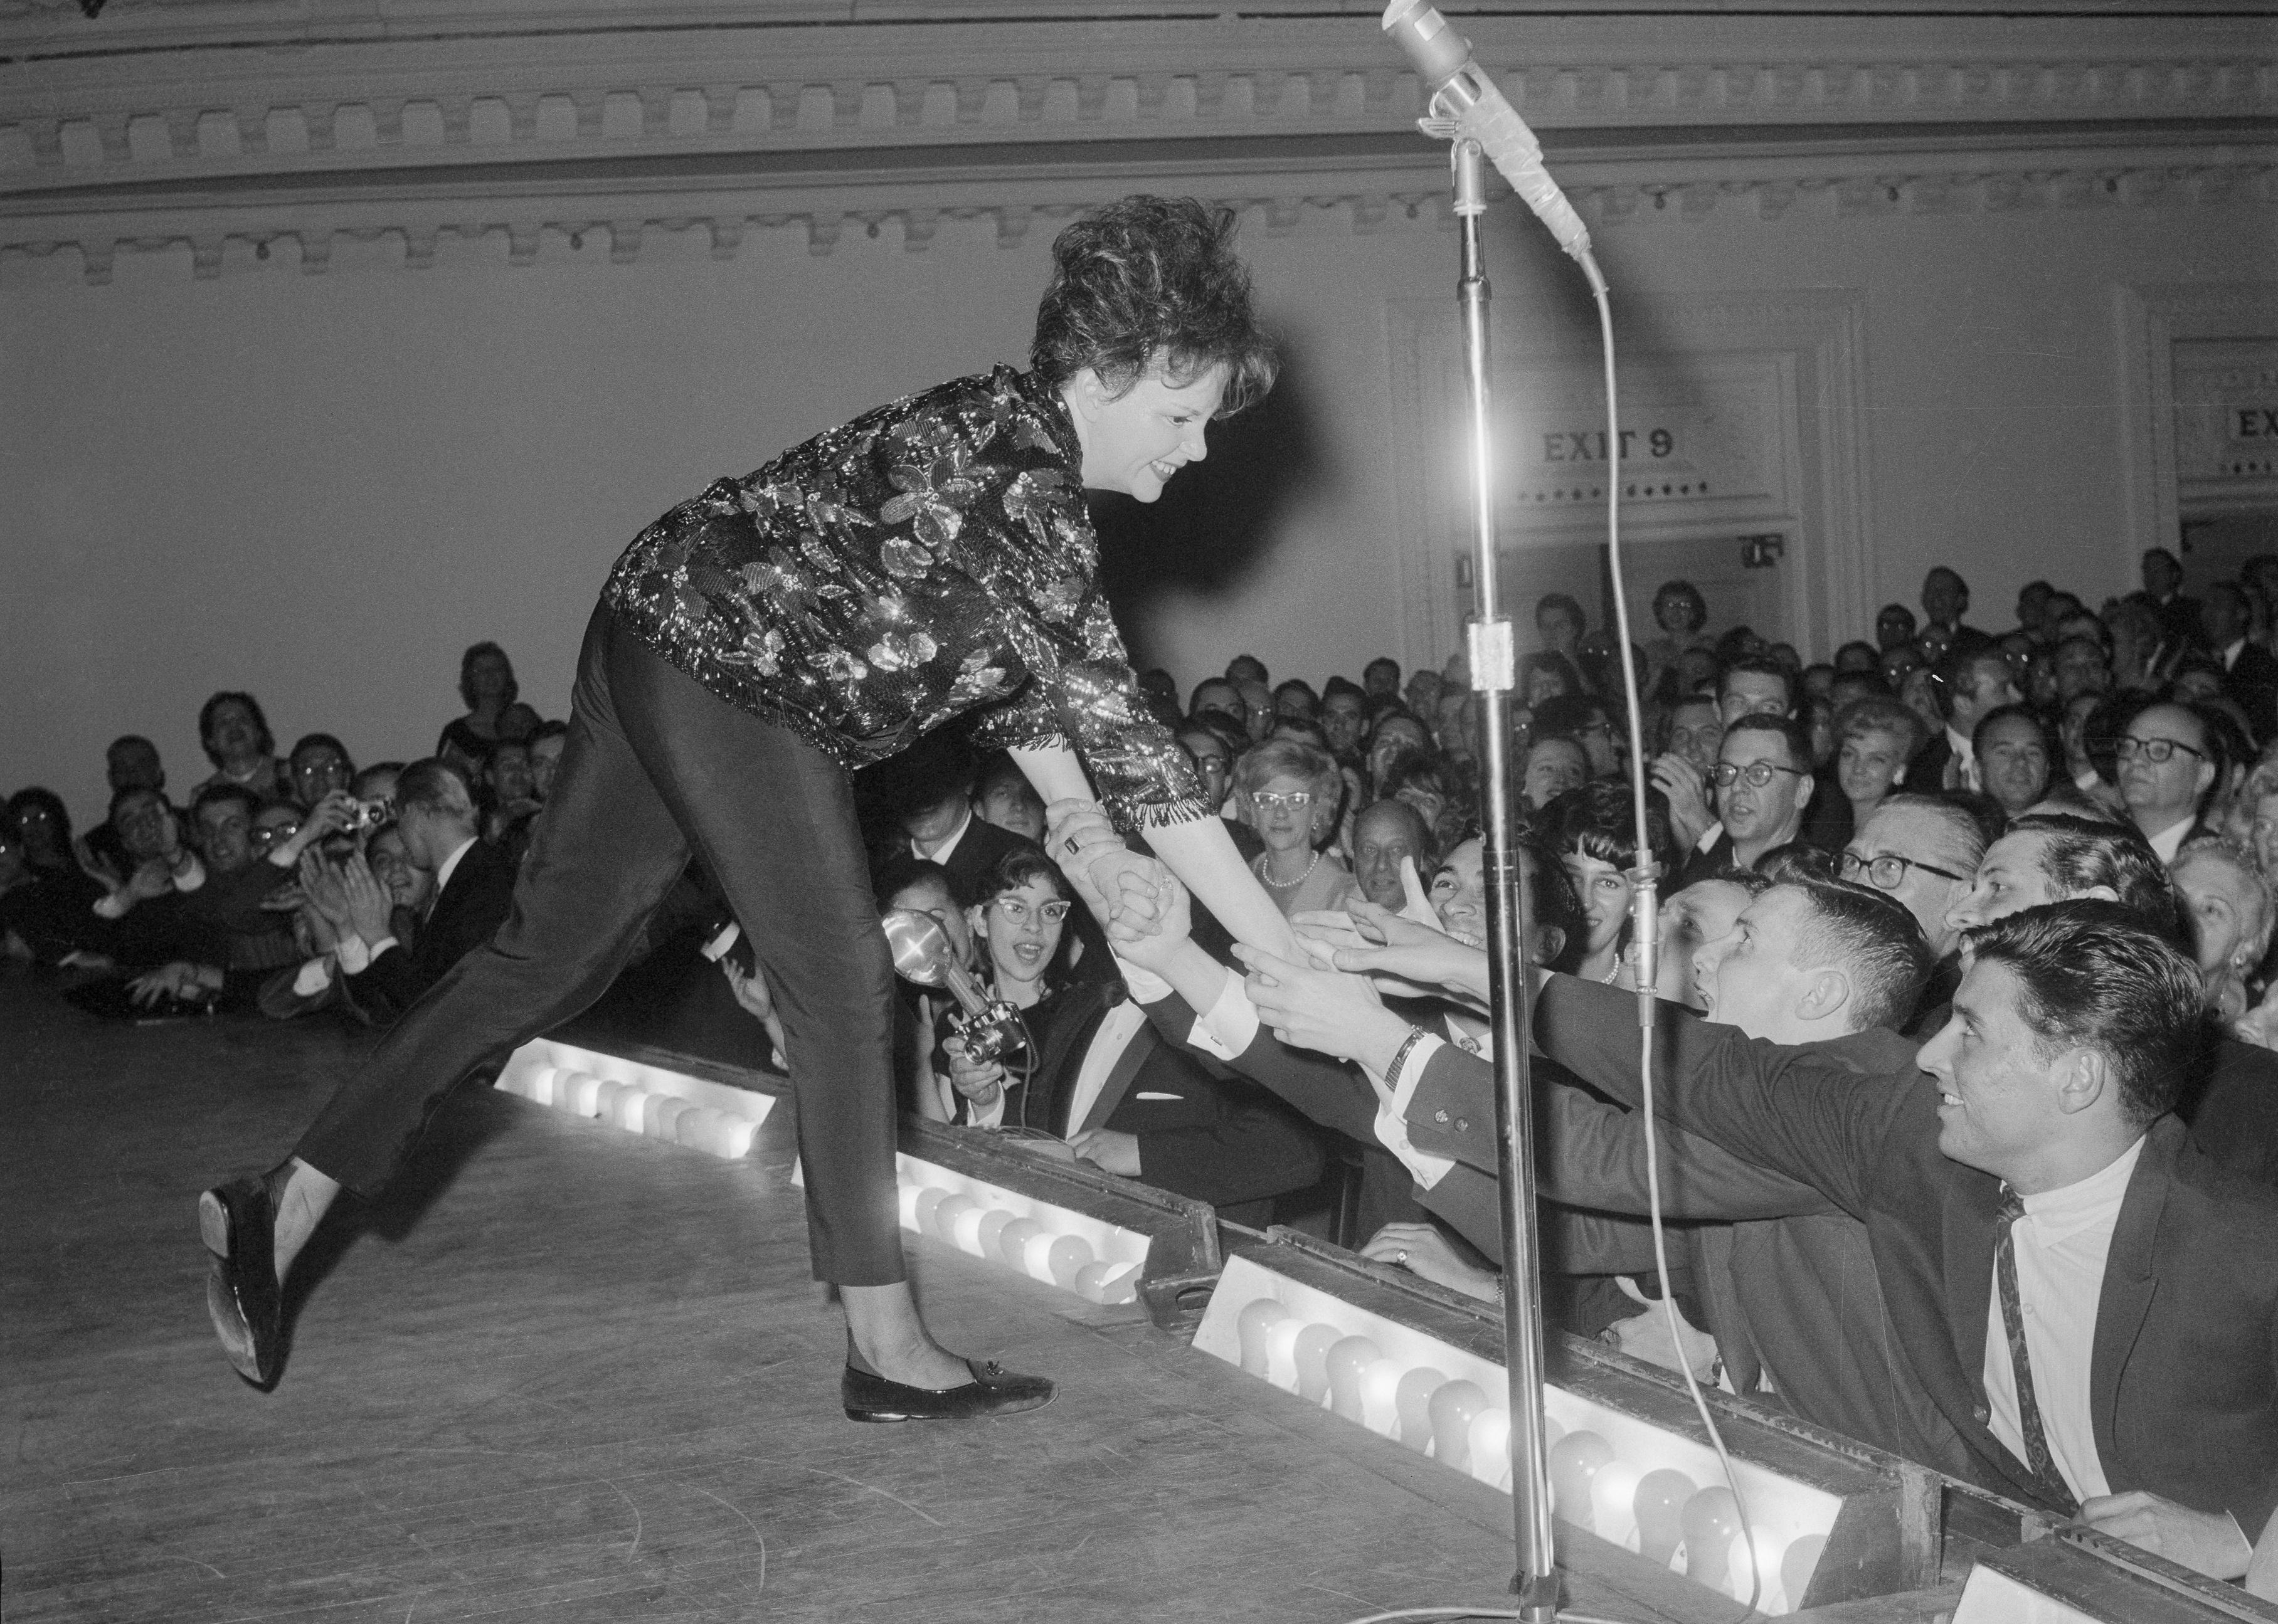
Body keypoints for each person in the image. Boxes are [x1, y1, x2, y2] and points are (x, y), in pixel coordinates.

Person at [197, 195, 1297, 1423]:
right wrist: (1278, 945)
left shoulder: (1002, 437)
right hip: (734, 665)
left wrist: (1079, 827)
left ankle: (281, 1199)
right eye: (1185, 416)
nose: (1195, 451)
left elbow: (1036, 688)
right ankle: (885, 1342)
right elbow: (1139, 748)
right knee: (842, 982)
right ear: (1114, 368)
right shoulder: (1033, 496)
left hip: (650, 618)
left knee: (542, 958)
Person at [938, 847, 1325, 1219]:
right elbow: (1035, 1135)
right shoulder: (1077, 1010)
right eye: (1115, 897)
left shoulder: (1229, 1020)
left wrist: (1142, 1154)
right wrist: (988, 1104)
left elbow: (1298, 1153)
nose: (1131, 913)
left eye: (1151, 898)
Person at [1677, 715, 1816, 885]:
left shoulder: (1817, 887)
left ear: (1802, 791)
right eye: (1727, 771)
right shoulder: (1697, 875)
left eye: (1759, 773)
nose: (1736, 786)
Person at [1234, 739, 1350, 916]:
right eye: (1267, 799)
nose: (1281, 813)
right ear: (1252, 811)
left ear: (1318, 811)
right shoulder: (1240, 879)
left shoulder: (1345, 894)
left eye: (1296, 800)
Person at [2116, 701, 2223, 861]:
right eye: (2128, 747)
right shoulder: (2097, 841)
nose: (2136, 760)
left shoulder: (2213, 865)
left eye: (2159, 750)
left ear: (2202, 775)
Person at [435, 642, 521, 772]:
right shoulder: (456, 733)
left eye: (497, 668)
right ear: (470, 680)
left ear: (507, 676)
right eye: (481, 670)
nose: (490, 675)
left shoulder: (525, 724)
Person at [191, 692, 285, 803]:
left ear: (259, 732)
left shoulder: (290, 775)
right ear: (211, 742)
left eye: (242, 719)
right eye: (223, 723)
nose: (234, 727)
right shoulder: (204, 796)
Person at [1348, 799, 1433, 912]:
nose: (1381, 865)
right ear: (1354, 860)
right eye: (1370, 850)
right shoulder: (1335, 920)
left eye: (1396, 850)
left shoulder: (1438, 927)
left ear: (1421, 860)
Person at [1974, 704, 2055, 819]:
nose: (2021, 761)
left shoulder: (2070, 832)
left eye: (2033, 753)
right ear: (1978, 770)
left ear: (2047, 770)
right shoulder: (1958, 832)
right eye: (2004, 753)